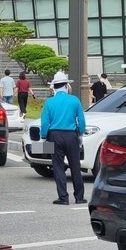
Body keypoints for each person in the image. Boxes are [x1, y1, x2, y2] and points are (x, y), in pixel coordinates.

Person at [40, 71, 86, 206]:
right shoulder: (75, 100)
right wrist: (80, 133)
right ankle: (79, 197)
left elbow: (44, 123)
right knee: (75, 166)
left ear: (54, 87)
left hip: (55, 136)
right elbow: (82, 121)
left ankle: (63, 197)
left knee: (58, 167)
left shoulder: (49, 102)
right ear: (66, 86)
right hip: (71, 136)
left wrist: (44, 136)